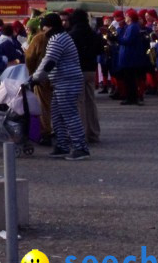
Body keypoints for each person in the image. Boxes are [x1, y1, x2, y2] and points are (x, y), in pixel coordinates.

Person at [30, 13, 89, 160]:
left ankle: (80, 148)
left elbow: (49, 61)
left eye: (43, 28)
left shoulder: (57, 39)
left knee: (69, 115)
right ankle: (62, 145)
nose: (42, 31)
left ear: (49, 27)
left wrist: (36, 77)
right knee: (56, 114)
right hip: (62, 81)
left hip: (67, 81)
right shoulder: (62, 36)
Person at [67, 9, 102, 144]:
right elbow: (99, 49)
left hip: (77, 70)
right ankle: (94, 133)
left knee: (79, 103)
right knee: (91, 102)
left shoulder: (72, 34)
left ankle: (81, 133)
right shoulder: (93, 33)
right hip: (91, 69)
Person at [24, 17, 52, 145]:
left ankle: (45, 131)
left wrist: (32, 74)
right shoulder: (59, 37)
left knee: (43, 105)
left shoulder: (39, 38)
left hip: (41, 77)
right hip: (57, 76)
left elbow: (29, 58)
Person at [117, 10, 148, 106]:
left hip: (130, 57)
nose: (125, 17)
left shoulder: (133, 27)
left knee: (130, 79)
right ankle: (131, 97)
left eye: (126, 16)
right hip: (128, 57)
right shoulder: (130, 27)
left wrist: (117, 39)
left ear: (130, 17)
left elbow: (128, 40)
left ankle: (131, 98)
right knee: (129, 79)